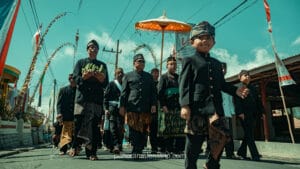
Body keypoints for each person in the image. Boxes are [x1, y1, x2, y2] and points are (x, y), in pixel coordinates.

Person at [179, 21, 249, 169]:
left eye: (208, 37)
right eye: (200, 37)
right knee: (194, 146)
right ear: (192, 42)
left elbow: (222, 85)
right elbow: (184, 84)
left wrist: (235, 90)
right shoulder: (189, 60)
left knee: (222, 138)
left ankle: (211, 165)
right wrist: (185, 105)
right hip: (197, 109)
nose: (205, 40)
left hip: (216, 110)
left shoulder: (217, 63)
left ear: (214, 42)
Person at [71, 39, 109, 160]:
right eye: (90, 47)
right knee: (78, 123)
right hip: (82, 99)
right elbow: (75, 79)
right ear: (87, 50)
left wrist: (100, 78)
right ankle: (75, 146)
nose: (93, 49)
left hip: (96, 100)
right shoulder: (80, 63)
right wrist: (84, 77)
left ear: (97, 50)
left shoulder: (102, 65)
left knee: (94, 125)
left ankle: (92, 152)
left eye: (95, 47)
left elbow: (106, 83)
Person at [119, 53, 157, 155]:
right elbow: (124, 93)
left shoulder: (149, 77)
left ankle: (139, 148)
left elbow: (153, 93)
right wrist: (122, 106)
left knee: (144, 129)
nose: (142, 63)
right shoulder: (127, 76)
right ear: (134, 63)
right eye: (139, 61)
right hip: (132, 107)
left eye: (143, 61)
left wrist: (153, 105)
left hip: (145, 107)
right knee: (133, 128)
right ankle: (136, 148)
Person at [234, 70, 264, 161]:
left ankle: (241, 152)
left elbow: (258, 101)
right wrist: (239, 112)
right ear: (240, 77)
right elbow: (237, 101)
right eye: (245, 75)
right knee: (250, 135)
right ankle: (255, 155)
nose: (247, 77)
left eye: (249, 75)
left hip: (253, 114)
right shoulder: (237, 87)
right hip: (244, 114)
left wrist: (262, 112)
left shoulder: (253, 88)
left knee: (248, 134)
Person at [158, 56, 185, 154]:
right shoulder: (163, 78)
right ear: (167, 65)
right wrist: (163, 105)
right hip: (167, 108)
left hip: (178, 108)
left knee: (179, 129)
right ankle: (168, 149)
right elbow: (160, 93)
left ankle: (179, 149)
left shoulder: (179, 77)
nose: (173, 66)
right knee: (168, 130)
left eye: (175, 64)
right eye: (171, 64)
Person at [104, 67, 125, 154]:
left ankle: (119, 145)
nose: (120, 74)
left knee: (120, 127)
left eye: (121, 73)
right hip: (112, 108)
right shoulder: (111, 84)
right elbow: (105, 98)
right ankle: (115, 145)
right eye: (118, 73)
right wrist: (106, 109)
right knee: (112, 128)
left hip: (121, 108)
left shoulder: (124, 85)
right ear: (115, 75)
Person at [56, 74, 76, 155]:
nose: (73, 80)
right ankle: (63, 149)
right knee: (65, 132)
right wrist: (59, 113)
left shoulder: (79, 90)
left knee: (74, 133)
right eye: (71, 78)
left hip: (76, 115)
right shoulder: (63, 90)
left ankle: (73, 148)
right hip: (66, 115)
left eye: (74, 78)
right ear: (69, 80)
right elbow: (59, 103)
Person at [149, 68, 159, 154]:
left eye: (157, 73)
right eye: (154, 73)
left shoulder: (160, 83)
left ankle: (157, 146)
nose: (156, 75)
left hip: (159, 109)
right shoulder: (148, 83)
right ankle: (153, 147)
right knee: (152, 128)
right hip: (150, 109)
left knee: (157, 128)